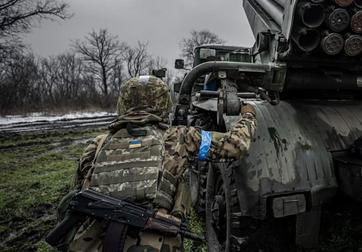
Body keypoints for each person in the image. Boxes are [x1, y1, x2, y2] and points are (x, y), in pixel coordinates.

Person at [61, 75, 256, 251]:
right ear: (164, 104)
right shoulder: (181, 139)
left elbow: (78, 192)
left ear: (123, 104)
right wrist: (248, 115)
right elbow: (235, 145)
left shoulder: (97, 144)